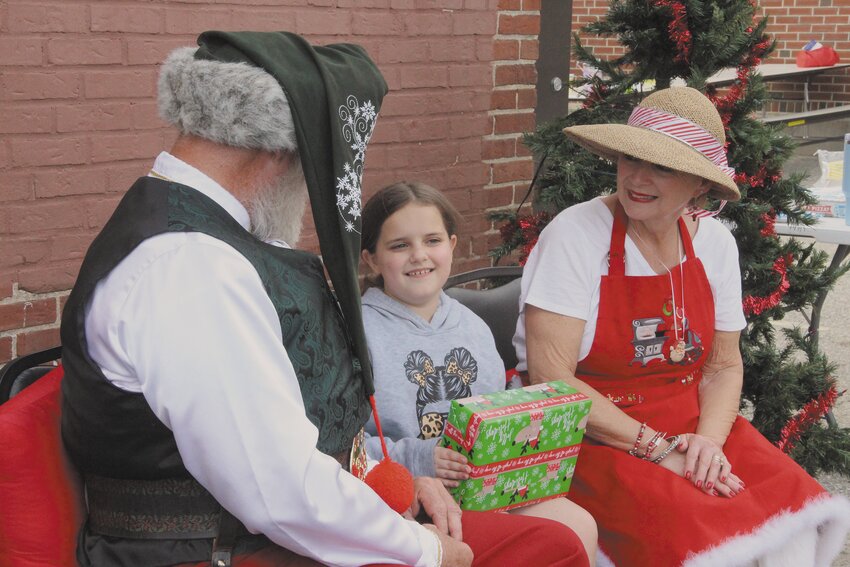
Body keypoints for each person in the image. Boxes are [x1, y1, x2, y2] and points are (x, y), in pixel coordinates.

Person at [57, 30, 580, 567]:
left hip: (273, 526)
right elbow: (277, 488)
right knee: (545, 550)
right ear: (285, 148)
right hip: (222, 550)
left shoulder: (207, 238)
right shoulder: (192, 267)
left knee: (546, 541)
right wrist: (424, 549)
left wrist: (388, 481)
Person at [514, 86, 850, 567]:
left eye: (662, 167)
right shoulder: (575, 233)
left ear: (700, 185)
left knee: (791, 521)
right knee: (694, 534)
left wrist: (707, 446)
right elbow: (552, 380)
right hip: (591, 432)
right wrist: (658, 449)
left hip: (692, 422)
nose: (637, 178)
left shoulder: (715, 243)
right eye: (631, 158)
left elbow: (722, 367)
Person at [359, 181, 597, 566]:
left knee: (577, 525)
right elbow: (342, 449)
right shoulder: (358, 334)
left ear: (452, 246)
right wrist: (420, 459)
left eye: (432, 240)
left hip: (489, 490)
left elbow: (496, 406)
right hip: (408, 501)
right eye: (399, 245)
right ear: (370, 259)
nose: (419, 256)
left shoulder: (473, 326)